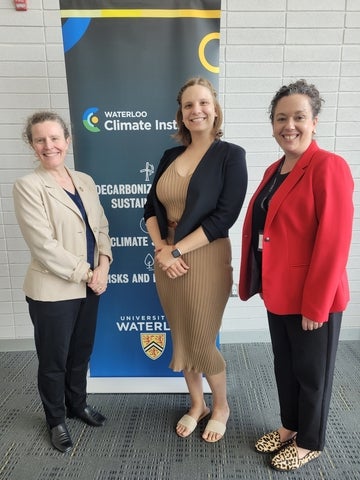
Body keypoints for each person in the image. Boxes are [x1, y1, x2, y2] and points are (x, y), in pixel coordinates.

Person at [239, 80, 354, 471]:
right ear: (272, 124)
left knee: (312, 373)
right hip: (279, 291)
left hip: (311, 296)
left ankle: (310, 441)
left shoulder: (328, 166)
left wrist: (316, 304)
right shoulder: (276, 169)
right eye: (281, 118)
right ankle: (289, 427)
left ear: (315, 121)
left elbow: (334, 241)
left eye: (299, 117)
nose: (289, 125)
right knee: (284, 366)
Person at [144, 77, 247, 443]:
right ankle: (197, 404)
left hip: (204, 255)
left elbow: (224, 216)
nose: (196, 110)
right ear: (181, 114)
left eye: (203, 103)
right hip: (166, 257)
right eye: (189, 105)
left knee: (202, 338)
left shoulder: (230, 156)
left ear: (215, 108)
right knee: (183, 336)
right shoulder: (170, 156)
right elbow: (150, 209)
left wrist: (175, 251)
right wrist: (161, 249)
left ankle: (220, 406)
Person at [13, 111, 113, 453]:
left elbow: (100, 227)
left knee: (80, 353)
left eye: (55, 138)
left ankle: (77, 404)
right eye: (40, 139)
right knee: (54, 359)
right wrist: (89, 274)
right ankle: (55, 420)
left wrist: (104, 265)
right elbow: (43, 246)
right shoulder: (28, 186)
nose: (48, 145)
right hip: (53, 291)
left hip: (91, 284)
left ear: (67, 141)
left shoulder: (84, 179)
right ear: (32, 145)